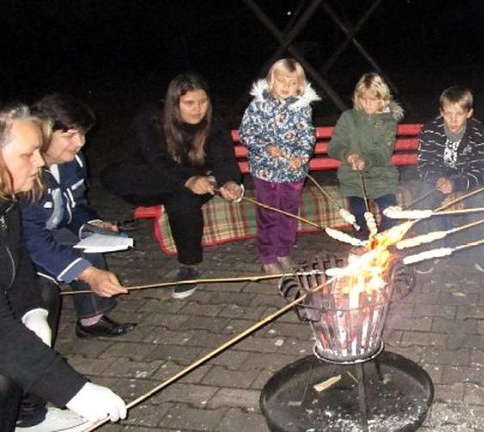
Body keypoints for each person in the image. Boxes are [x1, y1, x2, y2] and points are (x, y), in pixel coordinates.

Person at [0, 103, 126, 432]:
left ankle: (30, 417)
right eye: (28, 154)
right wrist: (74, 391)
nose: (39, 162)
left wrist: (31, 309)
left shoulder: (7, 202)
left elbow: (18, 262)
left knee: (44, 294)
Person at [101, 73, 243, 299]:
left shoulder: (213, 124)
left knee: (183, 200)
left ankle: (188, 267)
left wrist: (229, 182)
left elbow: (224, 160)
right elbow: (156, 160)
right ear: (174, 103)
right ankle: (188, 184)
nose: (198, 109)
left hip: (196, 185)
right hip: (157, 178)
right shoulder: (151, 119)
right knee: (114, 175)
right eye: (189, 103)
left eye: (203, 102)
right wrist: (188, 180)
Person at [20, 95, 135, 343]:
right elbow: (31, 238)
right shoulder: (24, 173)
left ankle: (91, 320)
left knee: (88, 243)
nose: (80, 142)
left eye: (82, 134)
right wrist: (88, 274)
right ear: (43, 133)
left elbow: (76, 205)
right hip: (19, 246)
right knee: (47, 288)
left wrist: (92, 225)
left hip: (49, 230)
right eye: (70, 135)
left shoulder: (73, 162)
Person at [239, 59, 319, 275]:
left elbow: (307, 136)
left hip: (293, 172)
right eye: (281, 81)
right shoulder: (258, 106)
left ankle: (284, 251)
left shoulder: (302, 108)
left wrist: (301, 157)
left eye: (292, 83)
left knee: (289, 212)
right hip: (265, 170)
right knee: (269, 213)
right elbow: (246, 133)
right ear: (271, 80)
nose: (286, 86)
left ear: (299, 86)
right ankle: (268, 256)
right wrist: (266, 147)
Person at [416, 86, 484, 281]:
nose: (453, 119)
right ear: (441, 112)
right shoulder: (429, 130)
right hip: (439, 178)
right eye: (448, 114)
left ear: (469, 113)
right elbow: (424, 164)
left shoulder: (479, 132)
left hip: (467, 179)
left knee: (483, 200)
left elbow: (479, 170)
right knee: (423, 200)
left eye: (459, 114)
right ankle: (431, 250)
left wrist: (456, 186)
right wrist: (438, 179)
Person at [327, 73, 403, 238]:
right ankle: (362, 243)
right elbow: (334, 146)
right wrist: (348, 155)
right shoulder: (348, 118)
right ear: (357, 97)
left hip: (381, 177)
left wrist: (366, 161)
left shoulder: (389, 122)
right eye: (363, 98)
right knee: (359, 214)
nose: (367, 103)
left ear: (382, 99)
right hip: (353, 178)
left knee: (391, 212)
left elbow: (383, 152)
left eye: (372, 99)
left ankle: (381, 243)